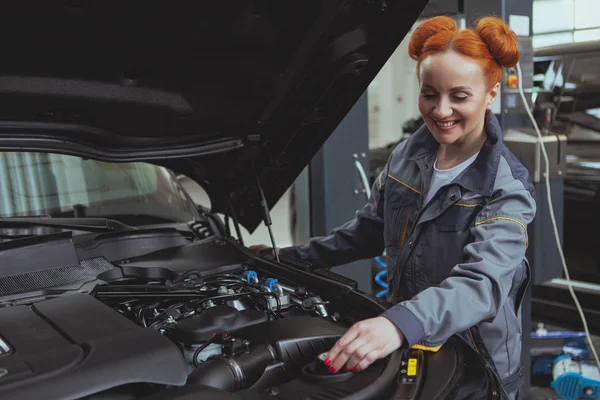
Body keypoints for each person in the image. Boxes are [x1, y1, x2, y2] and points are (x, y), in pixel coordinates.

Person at [251, 15, 535, 399]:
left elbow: (481, 284)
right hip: (409, 342)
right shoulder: (407, 157)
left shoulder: (506, 187)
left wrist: (399, 323)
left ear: (491, 94)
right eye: (429, 93)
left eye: (460, 96)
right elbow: (366, 232)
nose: (441, 110)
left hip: (476, 363)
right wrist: (284, 258)